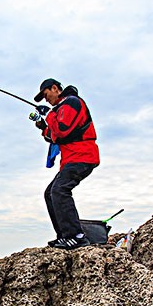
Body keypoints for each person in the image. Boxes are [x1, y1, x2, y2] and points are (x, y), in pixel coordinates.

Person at [33, 78, 100, 250]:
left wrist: (49, 114)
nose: (46, 99)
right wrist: (43, 127)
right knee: (50, 193)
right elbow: (53, 136)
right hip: (72, 158)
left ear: (55, 88)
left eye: (46, 95)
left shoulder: (71, 102)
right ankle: (64, 236)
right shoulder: (60, 110)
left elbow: (62, 130)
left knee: (59, 190)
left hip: (82, 156)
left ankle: (76, 236)